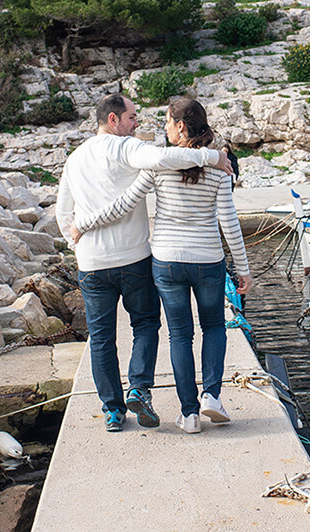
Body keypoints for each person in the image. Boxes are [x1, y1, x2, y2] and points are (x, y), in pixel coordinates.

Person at [71, 98, 252, 434]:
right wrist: (243, 269)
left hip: (167, 262)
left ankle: (190, 414)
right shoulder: (220, 166)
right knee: (213, 327)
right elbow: (229, 222)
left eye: (168, 122)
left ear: (180, 126)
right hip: (208, 260)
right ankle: (211, 395)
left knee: (180, 335)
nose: (164, 128)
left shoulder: (158, 166)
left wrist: (84, 224)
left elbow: (123, 204)